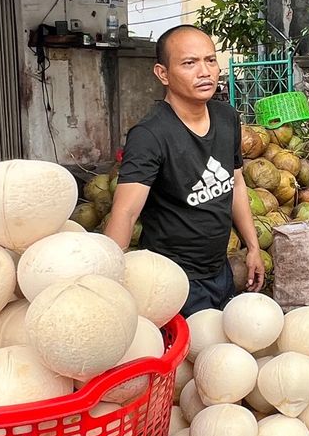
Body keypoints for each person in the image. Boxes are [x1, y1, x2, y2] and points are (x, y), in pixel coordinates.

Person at [105, 26, 265, 314]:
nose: (205, 72)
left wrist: (252, 246)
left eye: (211, 60)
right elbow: (125, 213)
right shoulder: (150, 135)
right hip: (171, 279)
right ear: (163, 73)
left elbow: (236, 184)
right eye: (189, 63)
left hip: (220, 270)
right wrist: (106, 286)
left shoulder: (227, 117)